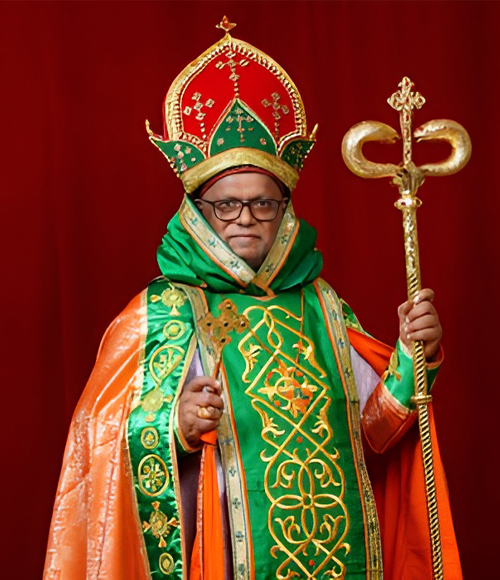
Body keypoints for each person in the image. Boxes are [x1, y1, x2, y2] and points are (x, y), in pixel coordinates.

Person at [44, 17, 462, 580]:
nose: (245, 218)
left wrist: (413, 356)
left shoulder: (321, 304)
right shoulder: (161, 312)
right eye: (227, 204)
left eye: (263, 203)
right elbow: (96, 454)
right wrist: (175, 427)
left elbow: (374, 432)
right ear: (197, 210)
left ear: (284, 208)